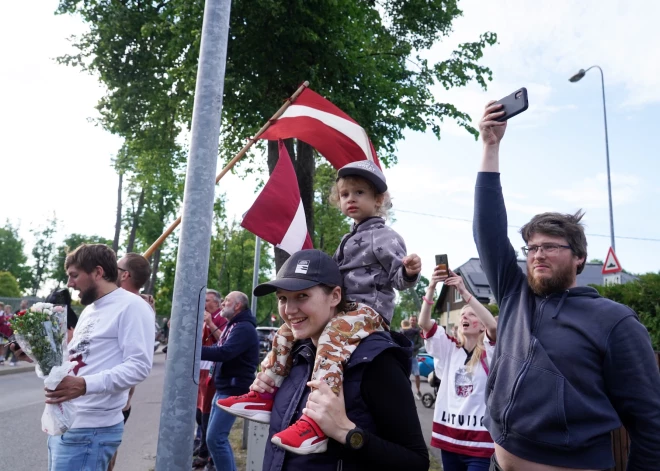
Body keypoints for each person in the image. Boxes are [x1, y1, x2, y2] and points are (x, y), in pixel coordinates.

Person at [474, 101, 660, 471]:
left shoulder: (614, 321)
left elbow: (650, 425)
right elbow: (488, 230)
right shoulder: (515, 295)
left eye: (551, 247)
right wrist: (490, 147)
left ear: (578, 257)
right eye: (533, 248)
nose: (538, 255)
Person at [218, 161, 421, 454]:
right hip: (346, 311)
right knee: (286, 331)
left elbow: (398, 280)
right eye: (345, 194)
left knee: (333, 335)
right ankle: (267, 390)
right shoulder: (347, 239)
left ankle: (316, 422)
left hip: (368, 311)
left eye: (360, 192)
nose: (351, 199)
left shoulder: (385, 236)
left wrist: (410, 271)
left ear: (378, 200)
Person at [250, 249, 429, 470]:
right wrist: (270, 395)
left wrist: (346, 432)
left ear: (335, 296)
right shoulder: (295, 357)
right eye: (282, 298)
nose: (289, 310)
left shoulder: (376, 361)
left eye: (302, 296)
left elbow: (416, 461)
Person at [16, 244, 156, 471]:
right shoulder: (91, 310)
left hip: (91, 431)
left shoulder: (133, 307)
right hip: (69, 424)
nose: (70, 283)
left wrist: (83, 385)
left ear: (98, 272)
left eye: (74, 275)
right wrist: (33, 356)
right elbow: (78, 359)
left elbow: (139, 366)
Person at [419, 267, 497, 471]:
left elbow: (494, 327)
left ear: (481, 326)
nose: (465, 316)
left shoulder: (490, 352)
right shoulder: (450, 348)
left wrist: (463, 292)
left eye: (472, 315)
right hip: (450, 438)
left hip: (479, 442)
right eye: (463, 314)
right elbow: (424, 323)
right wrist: (431, 287)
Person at [200, 291, 259, 471]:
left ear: (238, 306)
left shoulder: (243, 328)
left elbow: (225, 352)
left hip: (232, 389)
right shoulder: (233, 325)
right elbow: (219, 347)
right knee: (214, 438)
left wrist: (192, 349)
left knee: (215, 438)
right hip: (224, 387)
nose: (223, 303)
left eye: (227, 300)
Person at [193, 289, 227, 470]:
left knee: (207, 416)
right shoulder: (203, 317)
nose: (203, 303)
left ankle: (207, 455)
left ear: (216, 302)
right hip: (200, 371)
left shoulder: (220, 317)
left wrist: (210, 322)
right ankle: (203, 449)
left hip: (212, 372)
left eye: (206, 300)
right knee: (199, 414)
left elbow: (224, 341)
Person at [401, 315, 424, 400]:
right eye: (411, 320)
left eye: (414, 320)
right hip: (405, 356)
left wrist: (413, 347)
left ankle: (418, 392)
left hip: (413, 355)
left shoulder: (418, 332)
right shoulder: (404, 330)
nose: (412, 321)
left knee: (417, 374)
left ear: (416, 321)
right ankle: (406, 392)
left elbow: (421, 343)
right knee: (405, 375)